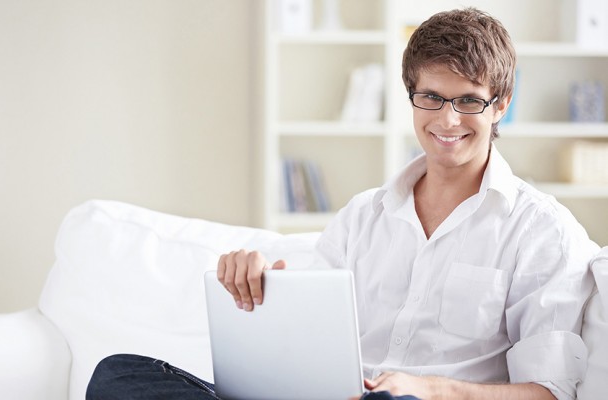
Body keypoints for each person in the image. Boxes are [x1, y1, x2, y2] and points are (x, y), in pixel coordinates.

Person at [86, 7, 598, 400]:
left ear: (500, 104)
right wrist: (261, 283)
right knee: (119, 375)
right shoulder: (363, 216)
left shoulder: (541, 231)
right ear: (412, 97)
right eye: (431, 98)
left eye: (468, 100)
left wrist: (429, 388)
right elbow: (305, 336)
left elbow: (546, 392)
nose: (447, 120)